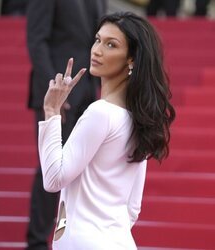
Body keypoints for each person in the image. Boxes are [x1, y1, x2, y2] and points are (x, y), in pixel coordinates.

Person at [38, 11, 176, 250]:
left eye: (111, 45)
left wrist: (51, 111)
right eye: (97, 40)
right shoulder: (138, 119)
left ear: (131, 59)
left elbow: (53, 179)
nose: (97, 50)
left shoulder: (99, 112)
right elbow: (133, 207)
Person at [25, 0, 107, 249]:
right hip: (56, 93)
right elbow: (36, 40)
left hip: (88, 93)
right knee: (50, 169)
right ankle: (37, 242)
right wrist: (56, 91)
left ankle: (70, 239)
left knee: (80, 173)